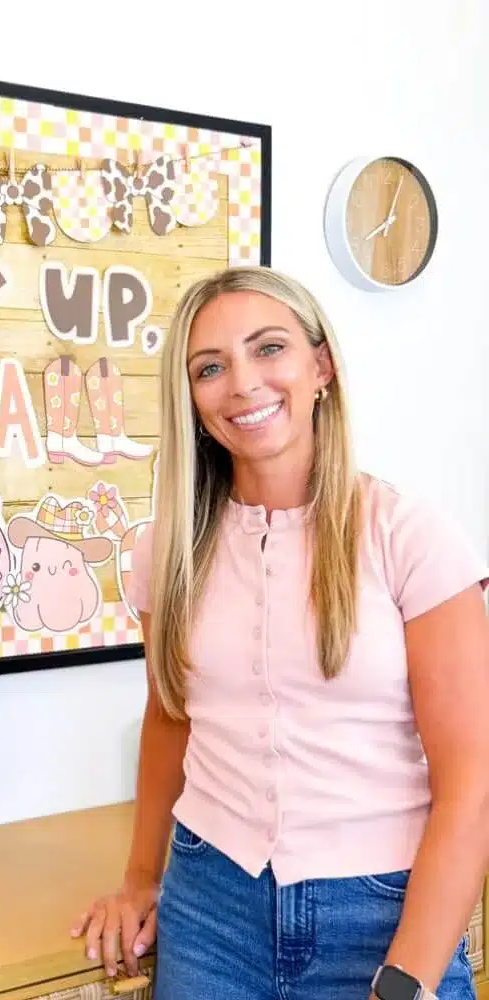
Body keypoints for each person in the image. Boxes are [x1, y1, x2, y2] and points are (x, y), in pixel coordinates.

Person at [69, 265, 489, 999]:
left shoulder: (408, 534)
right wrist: (141, 879)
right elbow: (170, 716)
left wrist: (409, 978)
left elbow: (472, 777)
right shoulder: (168, 548)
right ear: (191, 399)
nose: (242, 384)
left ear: (319, 365)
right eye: (210, 367)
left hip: (384, 911)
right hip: (211, 908)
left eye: (269, 349)